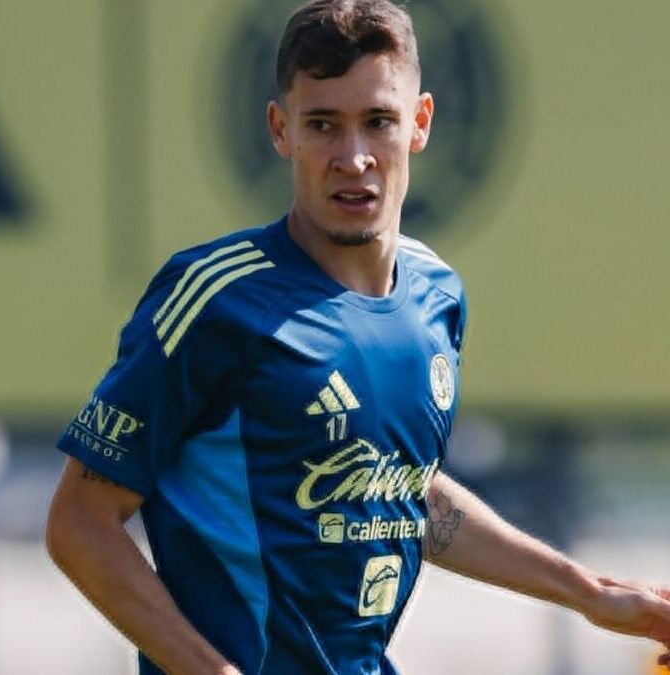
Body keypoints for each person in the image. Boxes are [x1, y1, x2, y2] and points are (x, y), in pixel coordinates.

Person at [45, 1, 670, 673]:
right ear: (280, 130)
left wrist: (595, 594)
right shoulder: (214, 299)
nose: (354, 157)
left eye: (378, 121)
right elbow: (80, 521)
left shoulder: (435, 295)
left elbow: (398, 490)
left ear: (421, 123)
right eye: (322, 125)